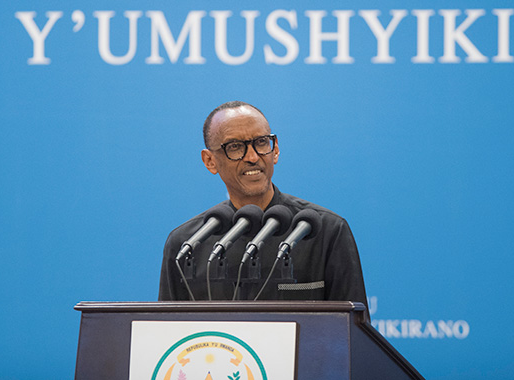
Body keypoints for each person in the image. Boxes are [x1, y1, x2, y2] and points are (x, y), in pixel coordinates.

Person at [158, 101, 368, 310]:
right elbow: (168, 335)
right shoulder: (188, 245)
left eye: (261, 142)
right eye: (235, 147)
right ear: (210, 161)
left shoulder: (324, 231)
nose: (252, 157)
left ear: (275, 149)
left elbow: (353, 333)